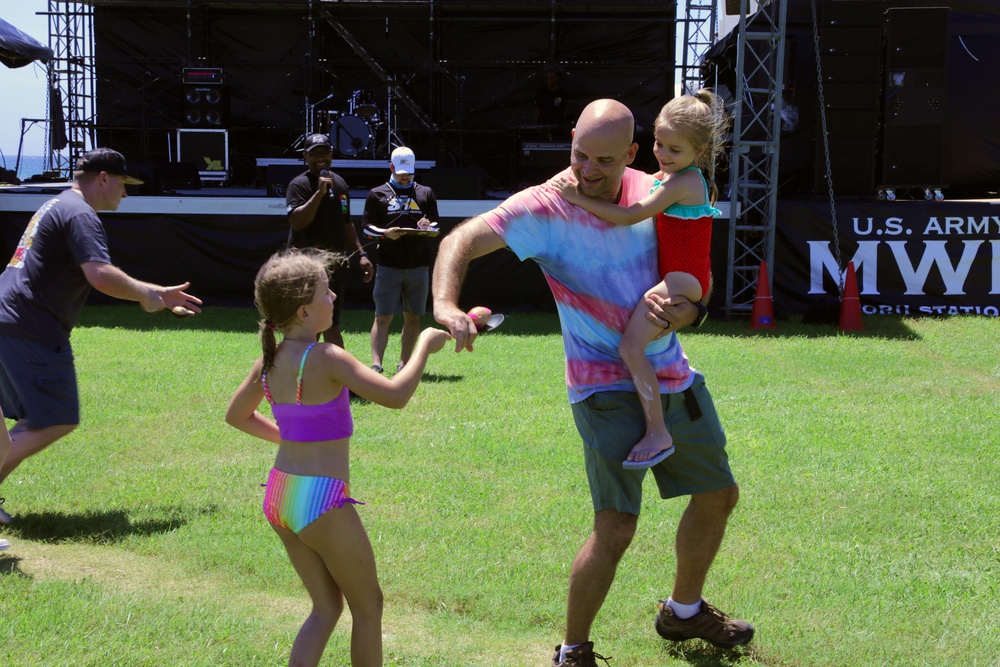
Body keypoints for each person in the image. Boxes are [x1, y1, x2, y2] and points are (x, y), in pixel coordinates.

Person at [432, 99, 753, 667]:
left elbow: (685, 277)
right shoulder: (546, 204)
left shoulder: (657, 184)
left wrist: (689, 313)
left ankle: (683, 613)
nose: (587, 170)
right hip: (602, 388)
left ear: (632, 152)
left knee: (718, 495)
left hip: (672, 373)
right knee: (617, 526)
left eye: (603, 159)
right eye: (579, 154)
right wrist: (445, 302)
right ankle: (573, 650)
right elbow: (458, 241)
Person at [225, 247, 449, 667]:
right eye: (327, 293)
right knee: (369, 607)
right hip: (320, 500)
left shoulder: (269, 360)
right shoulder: (326, 356)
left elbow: (236, 415)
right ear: (304, 312)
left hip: (280, 494)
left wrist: (290, 438)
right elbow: (396, 395)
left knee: (326, 609)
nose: (334, 300)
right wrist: (422, 346)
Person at [0, 148, 203, 524]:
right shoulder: (80, 214)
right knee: (53, 418)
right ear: (104, 178)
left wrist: (153, 291)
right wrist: (149, 295)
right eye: (124, 184)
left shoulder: (57, 204)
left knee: (29, 418)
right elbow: (100, 274)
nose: (125, 194)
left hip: (9, 320)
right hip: (29, 326)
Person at [550, 90, 727, 470]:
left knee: (631, 347)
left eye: (674, 150)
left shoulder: (685, 182)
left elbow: (632, 214)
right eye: (659, 143)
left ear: (699, 150)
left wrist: (577, 199)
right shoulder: (672, 176)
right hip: (681, 278)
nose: (662, 155)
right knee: (637, 343)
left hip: (682, 280)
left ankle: (658, 431)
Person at [286, 133, 375, 348]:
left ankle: (339, 379)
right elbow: (297, 222)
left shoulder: (340, 184)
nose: (320, 157)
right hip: (305, 267)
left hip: (335, 266)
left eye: (324, 152)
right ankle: (304, 375)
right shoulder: (298, 185)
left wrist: (361, 254)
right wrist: (319, 193)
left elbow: (346, 223)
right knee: (308, 325)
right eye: (314, 153)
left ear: (331, 154)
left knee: (332, 324)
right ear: (305, 157)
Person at [364, 146, 440, 374]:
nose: (405, 177)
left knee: (414, 317)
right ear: (391, 168)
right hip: (389, 265)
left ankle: (405, 364)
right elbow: (367, 228)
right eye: (400, 173)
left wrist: (427, 227)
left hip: (418, 265)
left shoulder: (425, 193)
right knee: (383, 315)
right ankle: (376, 364)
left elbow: (436, 225)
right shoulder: (377, 193)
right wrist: (386, 234)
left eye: (408, 172)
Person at [533, 69, 569, 139]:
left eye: (552, 77)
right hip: (543, 124)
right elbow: (537, 109)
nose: (549, 80)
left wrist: (565, 127)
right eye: (547, 78)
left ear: (556, 78)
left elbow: (563, 110)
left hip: (557, 125)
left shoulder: (560, 93)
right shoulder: (541, 93)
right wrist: (535, 125)